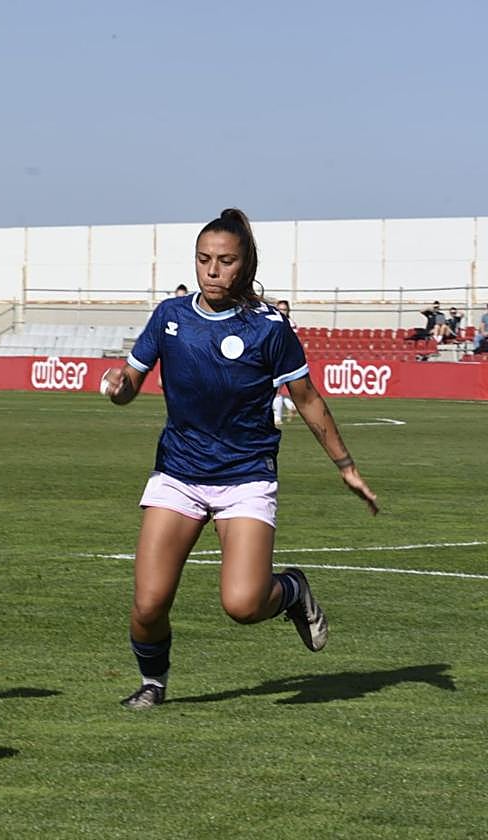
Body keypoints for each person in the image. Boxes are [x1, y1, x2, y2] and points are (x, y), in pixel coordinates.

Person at [100, 208, 379, 710]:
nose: (212, 271)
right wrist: (118, 388)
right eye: (204, 259)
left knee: (244, 605)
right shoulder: (170, 316)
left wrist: (346, 466)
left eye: (225, 261)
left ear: (244, 265)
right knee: (147, 605)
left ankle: (292, 590)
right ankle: (154, 683)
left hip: (246, 478)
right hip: (178, 475)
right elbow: (130, 384)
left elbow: (309, 399)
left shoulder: (268, 328)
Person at [272, 300, 297, 427]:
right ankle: (290, 405)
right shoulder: (276, 321)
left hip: (284, 359)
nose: (282, 311)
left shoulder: (289, 324)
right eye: (280, 309)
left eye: (284, 310)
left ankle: (277, 417)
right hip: (276, 358)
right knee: (274, 390)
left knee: (276, 390)